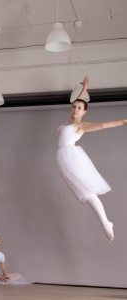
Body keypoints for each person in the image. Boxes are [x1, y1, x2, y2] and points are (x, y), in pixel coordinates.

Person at [56, 77, 127, 242]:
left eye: (79, 108)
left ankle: (106, 223)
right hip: (63, 159)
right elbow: (79, 102)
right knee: (85, 192)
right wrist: (85, 87)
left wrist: (123, 122)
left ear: (84, 112)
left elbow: (103, 125)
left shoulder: (80, 126)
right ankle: (105, 222)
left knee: (87, 192)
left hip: (71, 157)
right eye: (74, 107)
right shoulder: (68, 123)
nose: (75, 109)